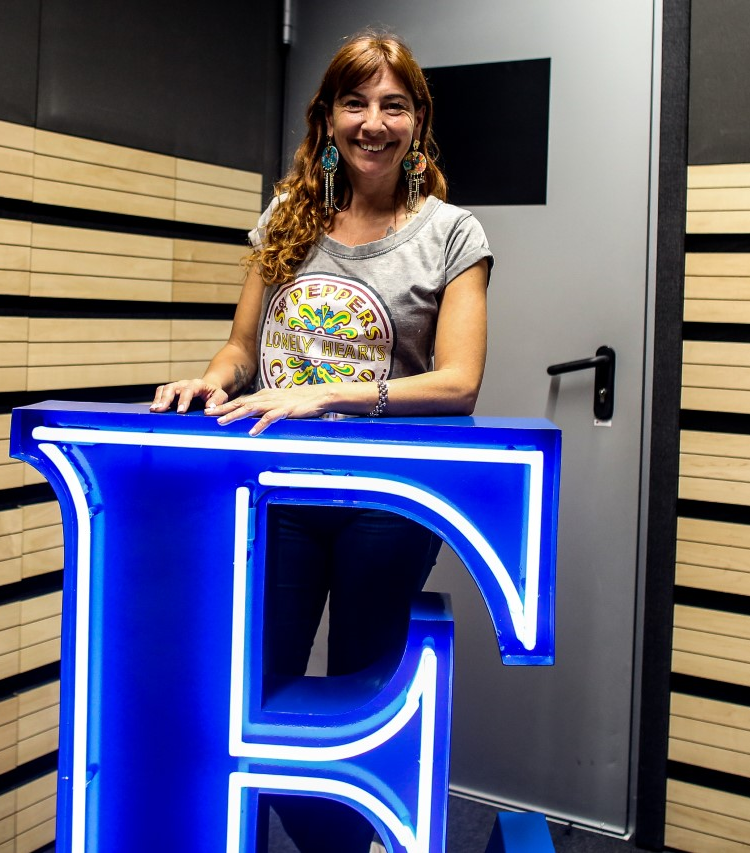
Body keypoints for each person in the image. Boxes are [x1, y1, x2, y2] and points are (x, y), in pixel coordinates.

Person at [152, 30, 492, 852]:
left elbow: (459, 382)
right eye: (355, 102)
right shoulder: (287, 217)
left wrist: (326, 393)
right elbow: (242, 348)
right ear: (328, 118)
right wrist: (213, 380)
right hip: (280, 493)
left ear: (417, 121)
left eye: (393, 105)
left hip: (386, 502)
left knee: (357, 705)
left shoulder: (453, 234)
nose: (373, 122)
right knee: (250, 695)